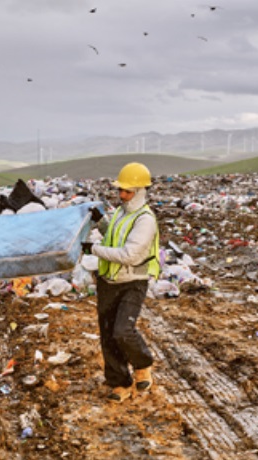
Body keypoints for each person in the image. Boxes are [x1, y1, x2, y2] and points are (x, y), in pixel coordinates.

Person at [84, 161, 160, 402]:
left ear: (139, 192)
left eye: (127, 191)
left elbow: (129, 254)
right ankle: (120, 382)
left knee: (122, 331)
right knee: (108, 335)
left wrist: (93, 250)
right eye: (120, 190)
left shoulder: (145, 219)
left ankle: (143, 364)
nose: (121, 195)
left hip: (132, 282)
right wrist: (101, 221)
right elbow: (113, 236)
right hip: (109, 281)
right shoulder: (121, 212)